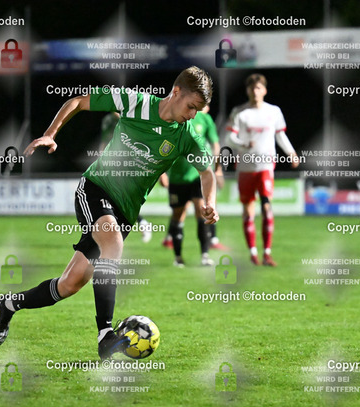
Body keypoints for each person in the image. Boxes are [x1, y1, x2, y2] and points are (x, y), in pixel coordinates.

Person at [0, 66, 219, 359]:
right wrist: (50, 134)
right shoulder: (135, 102)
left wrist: (210, 202)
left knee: (70, 284)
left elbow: (207, 172)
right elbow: (77, 102)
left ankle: (9, 304)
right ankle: (105, 336)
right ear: (176, 92)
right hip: (96, 188)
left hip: (125, 211)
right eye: (191, 107)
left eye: (198, 110)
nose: (193, 115)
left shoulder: (186, 136)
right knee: (113, 242)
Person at [226, 73, 299, 266]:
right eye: (252, 88)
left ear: (264, 90)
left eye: (258, 88)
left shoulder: (274, 111)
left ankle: (267, 253)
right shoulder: (240, 112)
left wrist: (291, 152)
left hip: (266, 166)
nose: (255, 91)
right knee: (248, 212)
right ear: (247, 91)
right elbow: (229, 138)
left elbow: (280, 135)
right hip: (245, 168)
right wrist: (242, 144)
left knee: (267, 208)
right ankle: (253, 253)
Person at [161, 104, 226, 256]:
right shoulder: (174, 117)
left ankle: (205, 253)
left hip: (199, 174)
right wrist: (162, 173)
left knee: (202, 209)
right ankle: (174, 247)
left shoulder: (205, 119)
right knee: (179, 212)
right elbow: (162, 145)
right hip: (178, 175)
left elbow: (215, 145)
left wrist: (218, 170)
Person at [101, 112, 152, 243]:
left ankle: (141, 223)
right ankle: (141, 223)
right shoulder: (108, 120)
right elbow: (104, 141)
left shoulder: (131, 120)